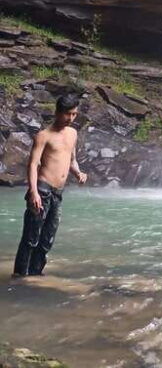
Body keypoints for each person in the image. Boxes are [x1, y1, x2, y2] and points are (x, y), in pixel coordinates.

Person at [13, 96, 87, 277]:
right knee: (31, 238)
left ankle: (35, 273)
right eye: (67, 114)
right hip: (42, 189)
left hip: (58, 193)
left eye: (74, 114)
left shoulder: (72, 134)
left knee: (47, 240)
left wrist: (78, 173)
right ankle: (20, 276)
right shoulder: (43, 136)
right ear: (57, 112)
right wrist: (34, 192)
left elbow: (71, 159)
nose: (70, 118)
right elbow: (32, 164)